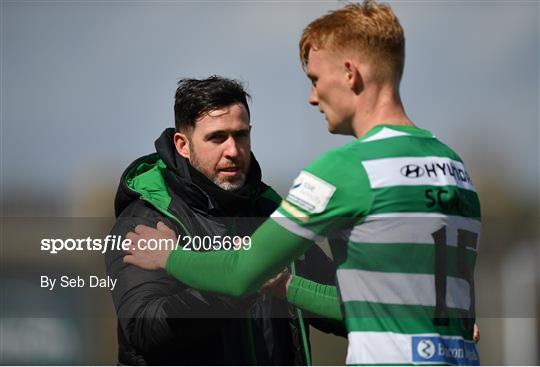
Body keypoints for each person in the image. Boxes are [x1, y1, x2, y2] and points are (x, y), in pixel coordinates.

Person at [124, 1, 481, 365]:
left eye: (315, 80)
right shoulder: (453, 166)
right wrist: (286, 287)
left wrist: (170, 256)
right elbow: (372, 309)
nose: (312, 98)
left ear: (350, 74)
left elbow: (240, 274)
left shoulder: (345, 169)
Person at [105, 76, 343, 365]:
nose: (232, 150)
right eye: (217, 137)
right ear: (182, 144)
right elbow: (144, 330)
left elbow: (346, 312)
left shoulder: (270, 212)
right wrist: (237, 281)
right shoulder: (146, 221)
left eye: (240, 135)